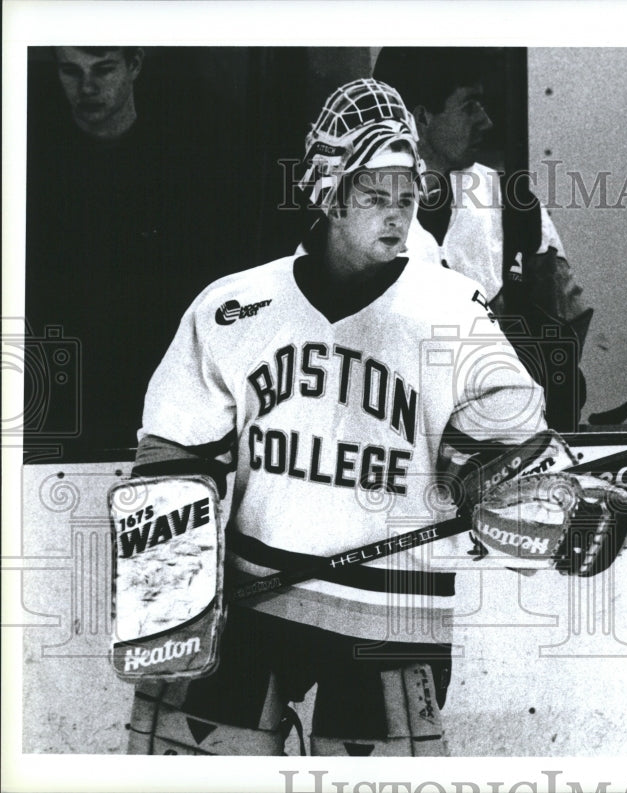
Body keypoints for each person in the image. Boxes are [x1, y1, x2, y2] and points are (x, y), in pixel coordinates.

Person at [122, 78, 552, 756]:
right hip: (255, 599)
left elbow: (511, 456)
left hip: (393, 613)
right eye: (376, 196)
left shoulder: (453, 315)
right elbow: (174, 458)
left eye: (407, 197)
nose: (397, 215)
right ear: (329, 191)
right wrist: (168, 607)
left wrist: (527, 502)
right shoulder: (234, 308)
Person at [24, 47, 236, 455]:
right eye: (71, 71)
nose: (86, 87)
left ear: (134, 65)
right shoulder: (35, 164)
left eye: (103, 69)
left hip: (157, 384)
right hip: (62, 387)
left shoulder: (179, 167)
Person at [373, 47, 594, 432]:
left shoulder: (513, 203)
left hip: (501, 441)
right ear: (420, 117)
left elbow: (568, 321)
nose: (487, 121)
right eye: (470, 106)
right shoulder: (357, 215)